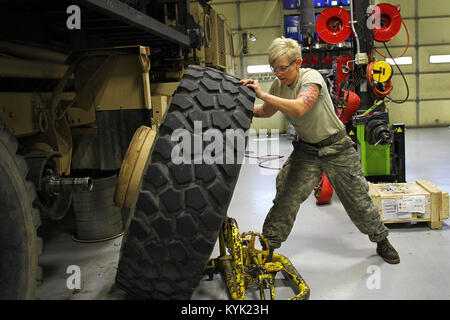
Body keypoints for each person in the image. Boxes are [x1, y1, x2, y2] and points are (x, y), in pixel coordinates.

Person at [240, 37, 400, 264]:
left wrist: (263, 94)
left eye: (283, 67)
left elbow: (300, 107)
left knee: (357, 199)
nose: (278, 73)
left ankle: (381, 240)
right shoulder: (278, 85)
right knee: (286, 197)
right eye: (274, 68)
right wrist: (239, 104)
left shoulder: (311, 78)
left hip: (337, 148)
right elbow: (266, 111)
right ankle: (268, 247)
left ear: (298, 62)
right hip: (307, 150)